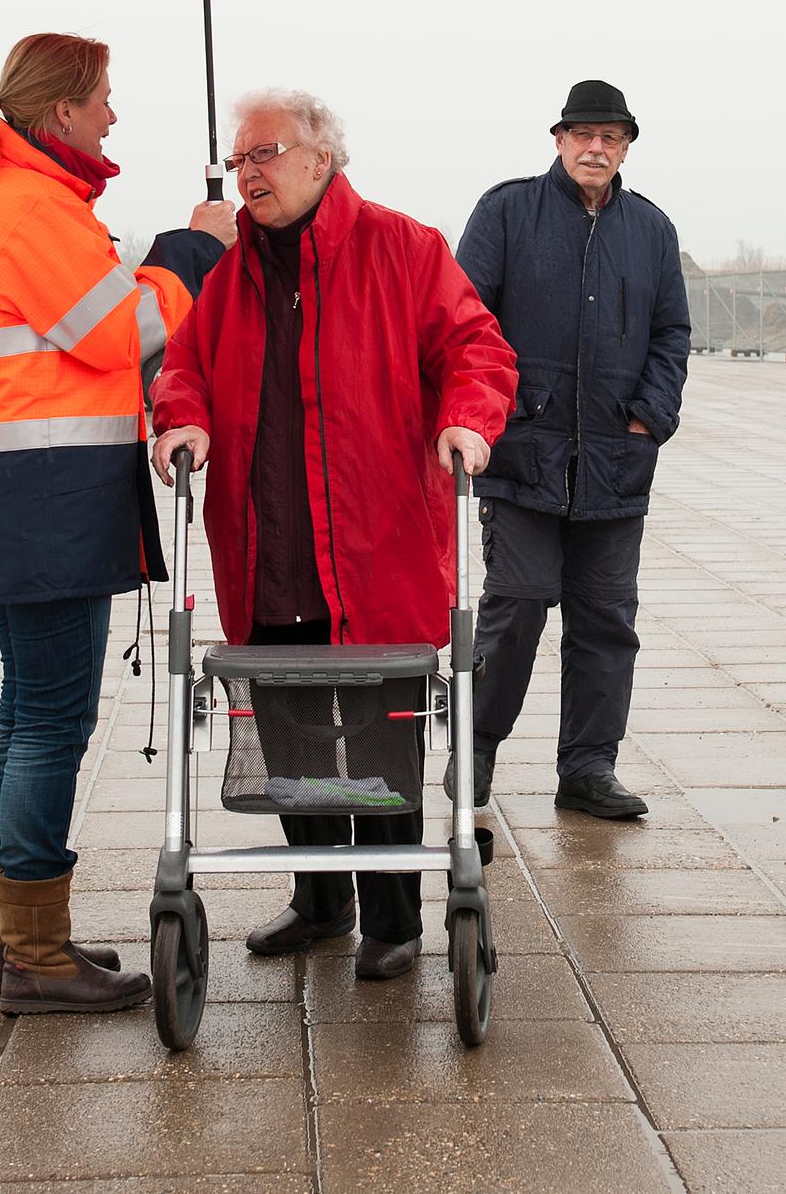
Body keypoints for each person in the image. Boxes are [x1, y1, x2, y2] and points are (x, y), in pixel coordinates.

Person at [150, 88, 515, 981]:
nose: (248, 173)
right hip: (268, 551)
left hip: (372, 549)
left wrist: (467, 419)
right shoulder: (230, 276)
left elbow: (477, 348)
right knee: (292, 733)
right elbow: (184, 364)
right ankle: (320, 900)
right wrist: (182, 415)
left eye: (263, 154)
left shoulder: (404, 248)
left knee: (380, 739)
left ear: (321, 157)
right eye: (238, 160)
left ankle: (394, 918)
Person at [0, 32, 235, 1014]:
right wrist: (196, 249)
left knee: (26, 709)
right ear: (60, 109)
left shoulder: (9, 199)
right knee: (52, 720)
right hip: (45, 493)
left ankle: (16, 938)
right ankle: (35, 953)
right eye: (102, 97)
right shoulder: (34, 207)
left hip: (17, 489)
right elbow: (119, 331)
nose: (112, 114)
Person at [448, 79, 690, 820]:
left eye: (610, 137)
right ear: (558, 140)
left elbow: (671, 334)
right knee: (516, 607)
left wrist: (649, 418)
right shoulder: (507, 211)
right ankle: (474, 749)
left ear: (626, 149)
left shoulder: (651, 230)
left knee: (606, 620)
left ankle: (588, 767)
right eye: (582, 134)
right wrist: (488, 413)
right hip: (524, 455)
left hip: (616, 463)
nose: (595, 147)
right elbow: (464, 319)